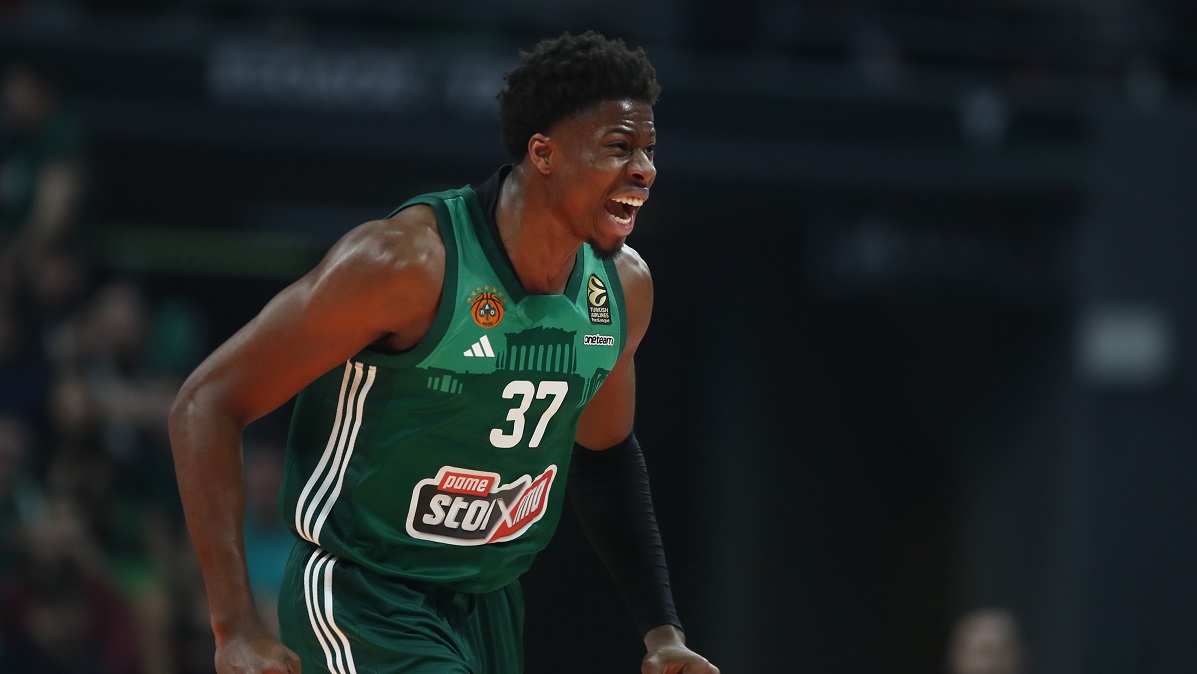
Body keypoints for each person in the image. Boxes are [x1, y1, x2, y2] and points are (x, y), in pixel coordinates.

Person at [169, 30, 719, 674]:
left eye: (649, 150)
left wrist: (662, 633)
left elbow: (604, 459)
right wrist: (234, 627)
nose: (645, 169)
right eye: (619, 148)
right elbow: (207, 402)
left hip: (488, 603)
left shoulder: (622, 288)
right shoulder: (407, 263)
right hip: (362, 592)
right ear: (543, 154)